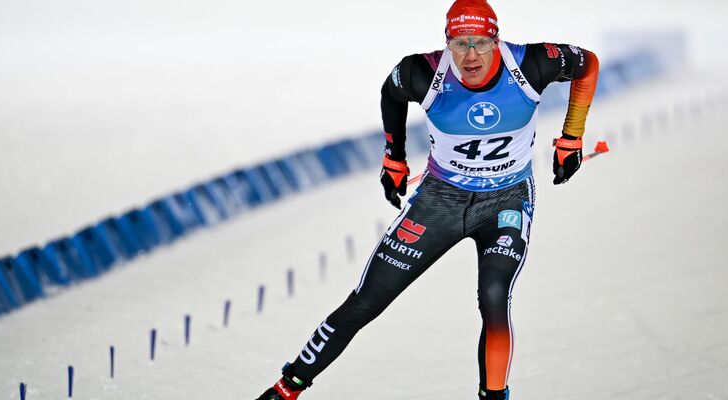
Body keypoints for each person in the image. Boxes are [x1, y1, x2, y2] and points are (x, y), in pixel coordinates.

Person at [255, 0, 599, 398]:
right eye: (460, 43)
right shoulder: (422, 71)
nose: (471, 55)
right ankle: (288, 387)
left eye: (481, 43)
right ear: (447, 43)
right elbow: (391, 92)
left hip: (505, 201)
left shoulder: (533, 63)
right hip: (440, 201)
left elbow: (587, 65)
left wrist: (572, 136)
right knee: (368, 300)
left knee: (493, 297)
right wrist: (393, 157)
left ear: (496, 40)